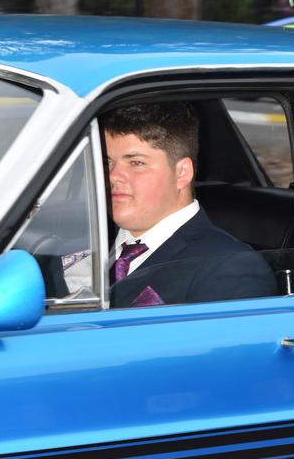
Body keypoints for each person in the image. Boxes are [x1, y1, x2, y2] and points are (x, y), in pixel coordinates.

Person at [101, 101, 277, 308]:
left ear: (182, 173)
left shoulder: (228, 267)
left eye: (136, 163)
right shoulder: (83, 243)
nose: (112, 176)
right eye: (107, 162)